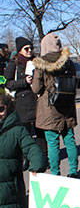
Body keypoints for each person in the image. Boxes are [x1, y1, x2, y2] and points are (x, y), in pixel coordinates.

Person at [0, 91, 46, 208]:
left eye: (1, 108)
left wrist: (36, 164)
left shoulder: (17, 130)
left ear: (8, 109)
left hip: (11, 186)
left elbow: (33, 149)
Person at [32, 32, 79, 178]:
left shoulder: (41, 64)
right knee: (69, 140)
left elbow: (36, 88)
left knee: (52, 143)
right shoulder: (68, 62)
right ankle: (73, 171)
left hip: (50, 108)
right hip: (68, 105)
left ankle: (55, 173)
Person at [4, 37, 47, 170]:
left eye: (31, 48)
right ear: (20, 50)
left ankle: (43, 159)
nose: (29, 51)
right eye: (26, 49)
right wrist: (24, 82)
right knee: (25, 134)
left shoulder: (37, 61)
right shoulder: (14, 64)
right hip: (22, 104)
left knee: (41, 134)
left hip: (37, 101)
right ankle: (25, 158)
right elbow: (8, 83)